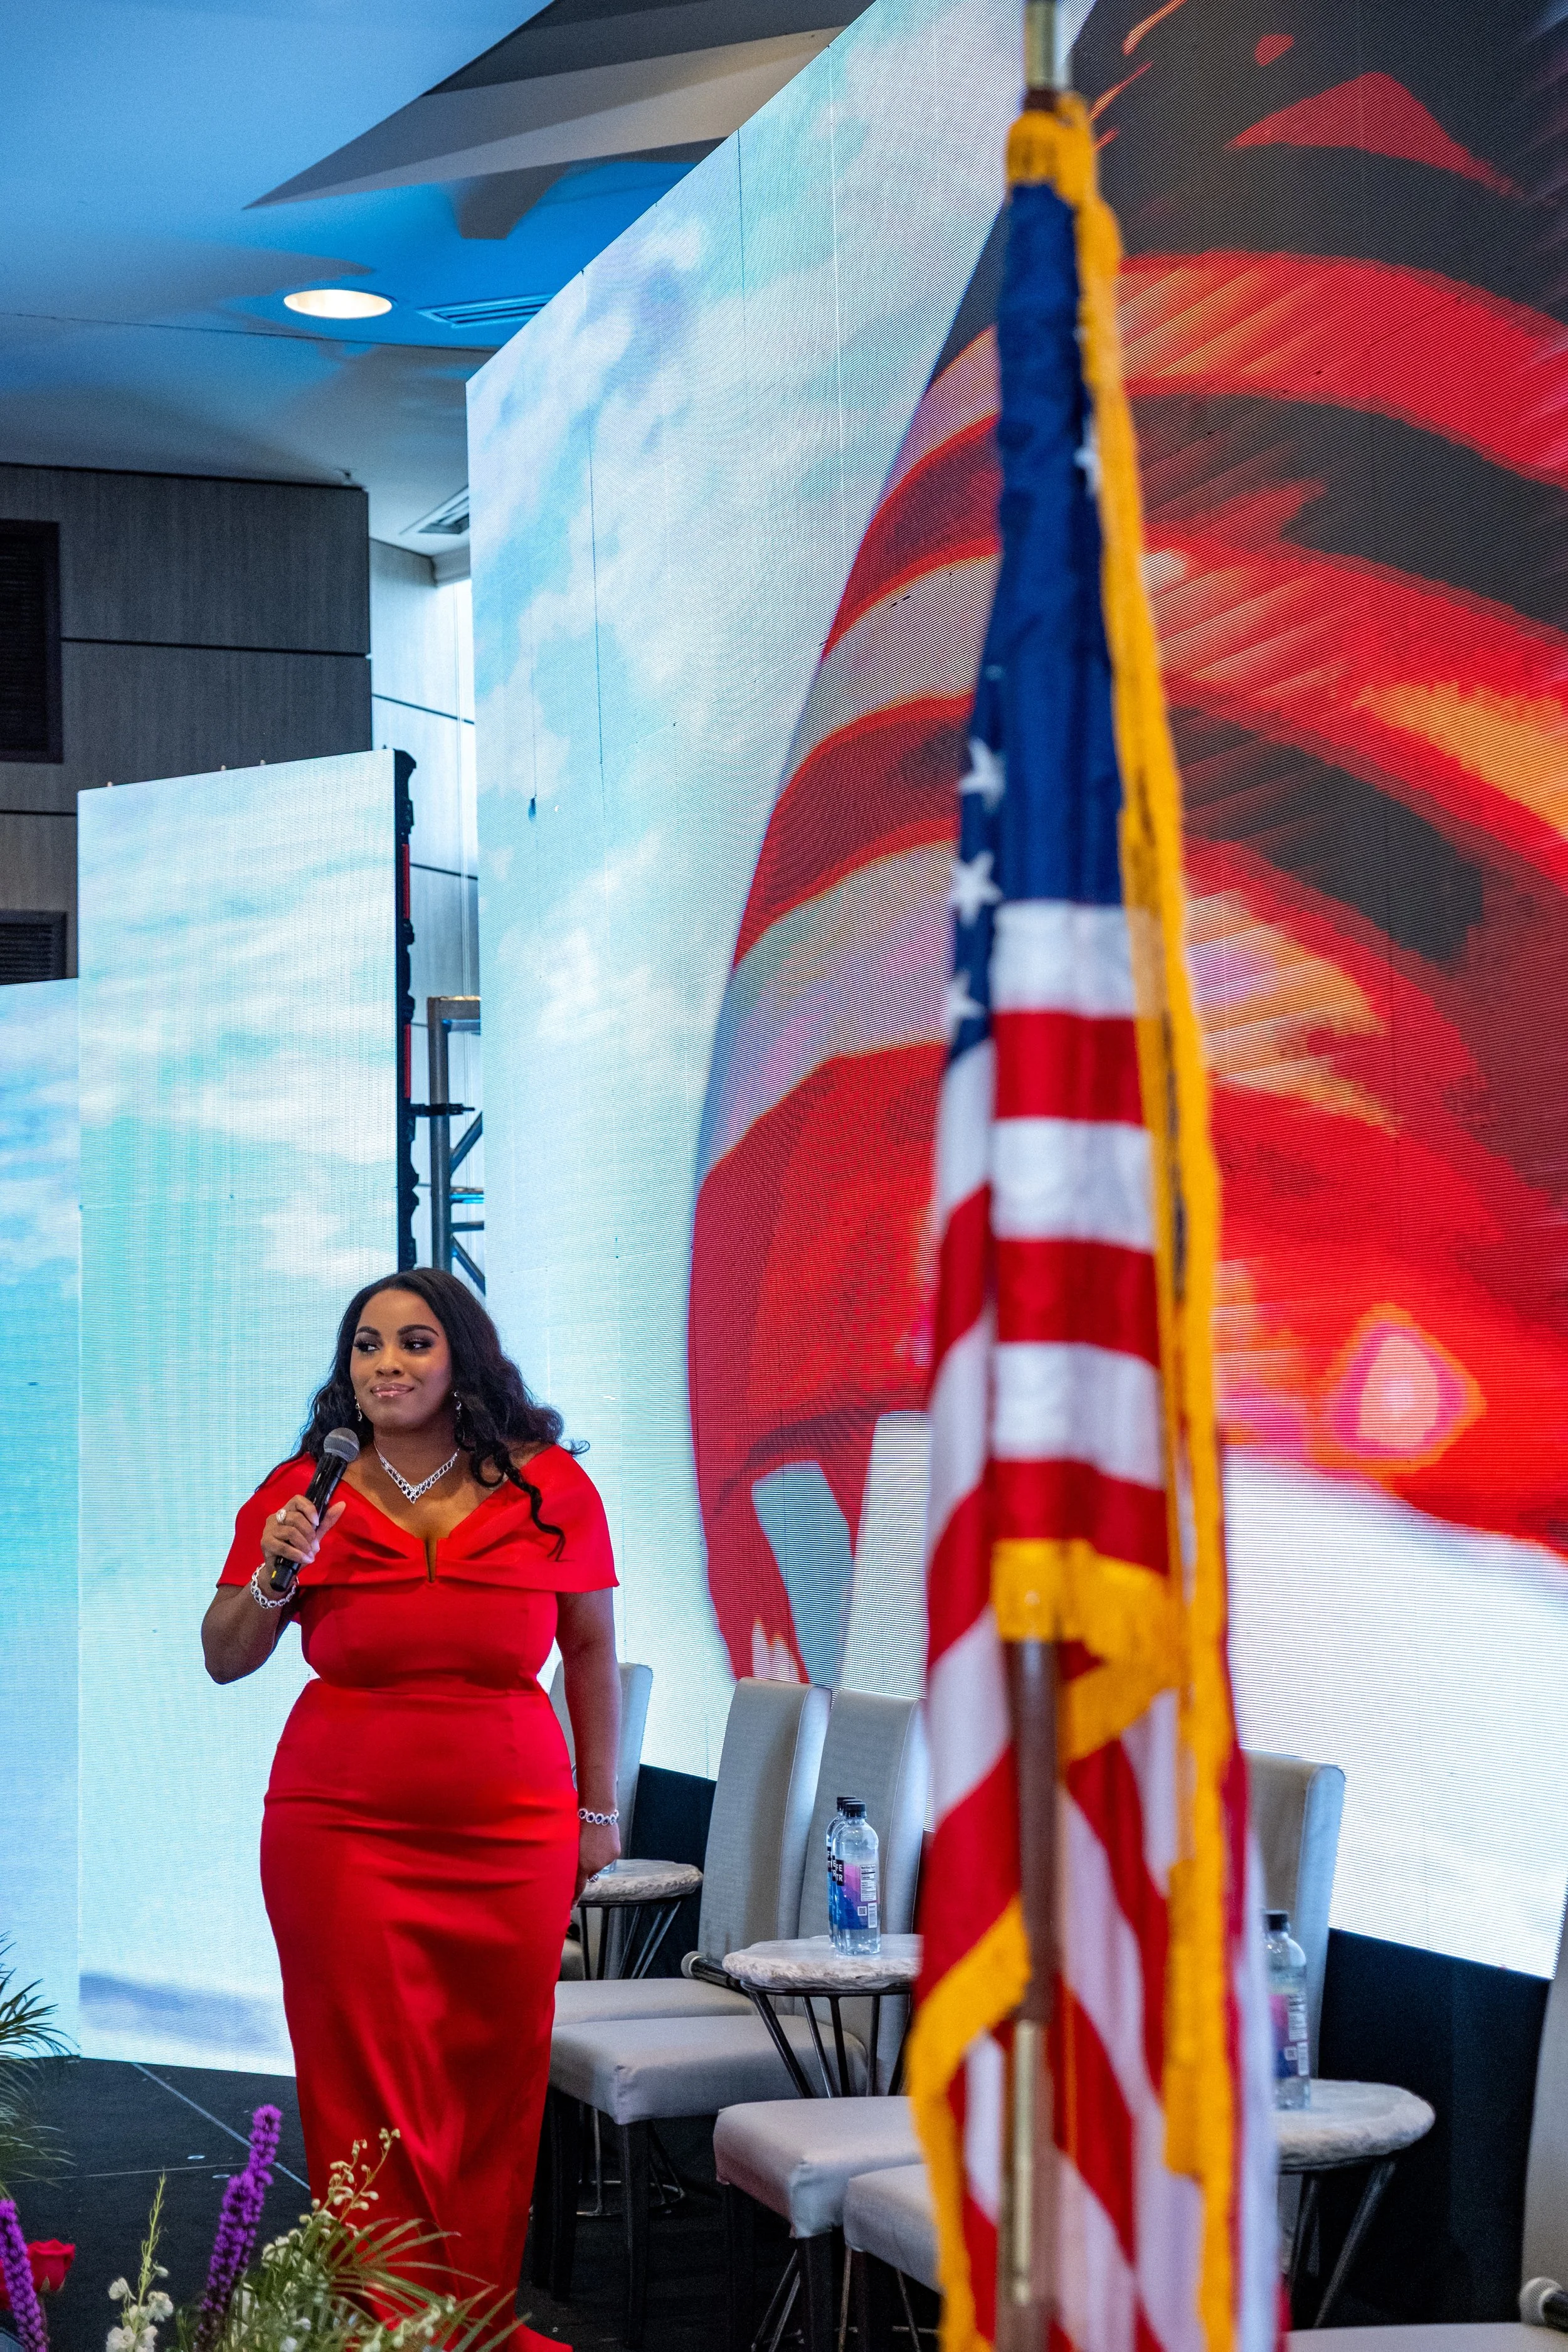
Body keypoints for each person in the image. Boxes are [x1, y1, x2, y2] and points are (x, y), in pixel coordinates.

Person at [202, 1269, 621, 2352]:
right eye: (367, 1345)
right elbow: (224, 1655)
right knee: (361, 2078)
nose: (387, 1363)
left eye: (414, 1341)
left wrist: (599, 1811)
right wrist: (272, 1575)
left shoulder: (551, 1486)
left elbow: (590, 1657)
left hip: (512, 1830)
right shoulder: (307, 1489)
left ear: (461, 1357)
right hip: (339, 1830)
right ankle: (381, 2325)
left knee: (492, 2075)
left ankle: (469, 2316)